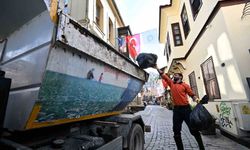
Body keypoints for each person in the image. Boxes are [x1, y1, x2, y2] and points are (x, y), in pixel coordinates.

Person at [154, 65, 205, 150]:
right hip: (177, 110)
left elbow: (192, 95)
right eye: (174, 75)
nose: (174, 75)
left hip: (186, 109)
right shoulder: (171, 83)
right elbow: (163, 75)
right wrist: (156, 67)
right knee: (176, 131)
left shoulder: (185, 85)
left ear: (180, 77)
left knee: (193, 130)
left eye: (176, 74)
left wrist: (197, 100)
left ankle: (201, 147)